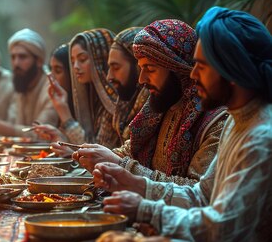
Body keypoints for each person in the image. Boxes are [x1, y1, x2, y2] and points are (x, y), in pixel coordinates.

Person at [92, 7, 272, 242]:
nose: (193, 74)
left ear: (231, 70)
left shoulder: (260, 137)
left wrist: (146, 210)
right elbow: (202, 195)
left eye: (201, 66)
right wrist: (135, 184)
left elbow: (219, 234)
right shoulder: (238, 120)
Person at [72, 20, 227, 185]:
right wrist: (97, 157)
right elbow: (129, 152)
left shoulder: (215, 123)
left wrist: (118, 164)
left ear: (178, 69)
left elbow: (197, 193)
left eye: (150, 69)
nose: (142, 79)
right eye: (141, 69)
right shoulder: (160, 106)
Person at [0, 28, 58, 136]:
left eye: (22, 57)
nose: (16, 63)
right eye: (13, 57)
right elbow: (12, 126)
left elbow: (41, 134)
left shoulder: (51, 89)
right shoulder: (21, 85)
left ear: (39, 61)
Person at [108, 27, 150, 144]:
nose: (109, 77)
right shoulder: (124, 107)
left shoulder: (154, 106)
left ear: (138, 67)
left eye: (116, 67)